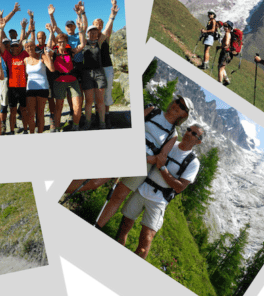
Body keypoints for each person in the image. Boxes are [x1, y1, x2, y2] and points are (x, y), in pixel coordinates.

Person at [65, 95, 192, 226]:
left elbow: (160, 158)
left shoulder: (173, 134)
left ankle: (97, 226)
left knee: (118, 197)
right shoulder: (154, 111)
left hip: (145, 164)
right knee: (95, 181)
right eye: (178, 102)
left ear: (184, 115)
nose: (177, 106)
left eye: (182, 107)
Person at [116, 125, 203, 259]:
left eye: (194, 134)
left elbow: (180, 187)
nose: (189, 133)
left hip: (159, 200)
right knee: (124, 225)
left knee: (146, 239)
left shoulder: (193, 162)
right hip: (142, 188)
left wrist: (163, 168)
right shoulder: (171, 144)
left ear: (198, 141)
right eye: (188, 130)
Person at [49, 21, 86, 132]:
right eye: (59, 42)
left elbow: (82, 44)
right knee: (59, 107)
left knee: (77, 106)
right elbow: (47, 49)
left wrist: (81, 29)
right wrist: (51, 32)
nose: (61, 44)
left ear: (66, 42)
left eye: (64, 41)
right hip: (59, 81)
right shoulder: (53, 53)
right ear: (57, 42)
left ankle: (75, 126)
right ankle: (57, 127)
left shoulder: (71, 52)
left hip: (73, 81)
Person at [24, 17, 56, 134]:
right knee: (31, 113)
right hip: (32, 87)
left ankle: (51, 120)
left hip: (45, 82)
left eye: (42, 37)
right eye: (39, 38)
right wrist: (31, 23)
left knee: (45, 107)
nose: (30, 48)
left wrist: (51, 32)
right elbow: (29, 41)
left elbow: (52, 68)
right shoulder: (28, 57)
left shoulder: (44, 52)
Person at [92, 0, 120, 127]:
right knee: (97, 93)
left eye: (100, 25)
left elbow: (109, 28)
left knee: (107, 91)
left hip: (107, 67)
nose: (98, 26)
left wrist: (112, 16)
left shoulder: (104, 37)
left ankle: (106, 116)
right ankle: (98, 115)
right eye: (96, 24)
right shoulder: (91, 40)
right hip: (96, 69)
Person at [217, 20, 235, 86]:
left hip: (225, 53)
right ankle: (226, 80)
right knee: (221, 67)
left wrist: (223, 46)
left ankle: (219, 83)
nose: (225, 27)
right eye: (224, 26)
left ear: (230, 27)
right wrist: (220, 47)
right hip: (228, 54)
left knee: (220, 68)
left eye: (226, 26)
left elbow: (226, 43)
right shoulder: (229, 34)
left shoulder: (227, 34)